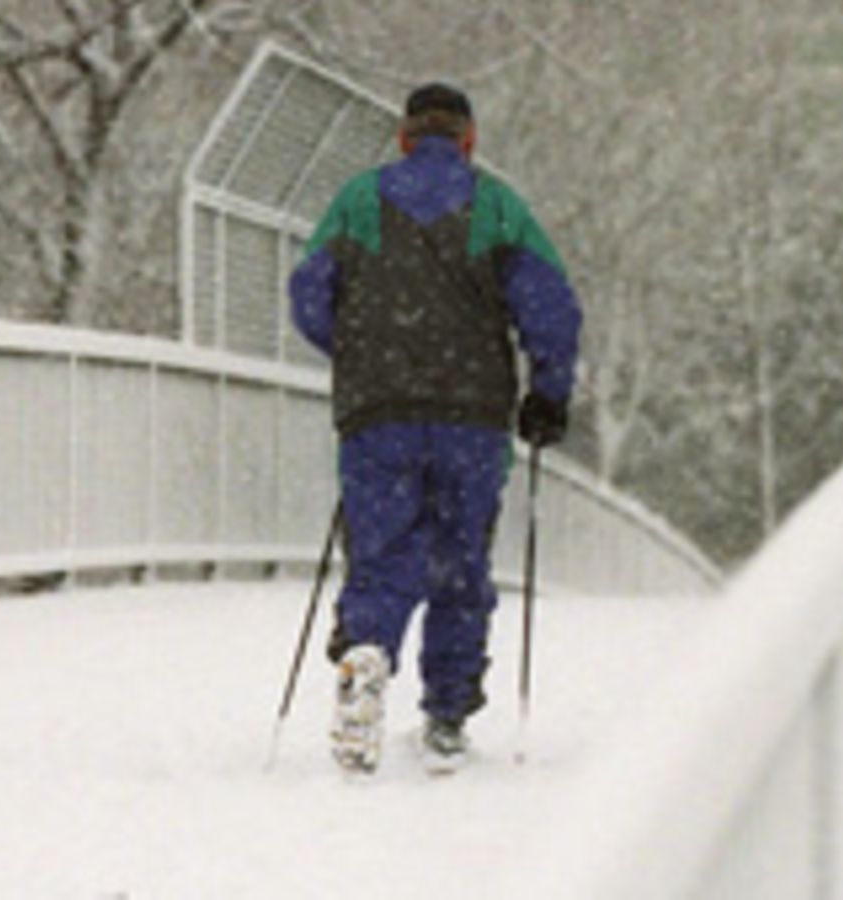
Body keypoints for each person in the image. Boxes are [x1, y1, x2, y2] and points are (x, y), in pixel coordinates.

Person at [288, 82, 582, 774]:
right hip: (472, 419)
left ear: (405, 137)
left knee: (381, 551)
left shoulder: (358, 200)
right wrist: (548, 392)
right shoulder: (499, 206)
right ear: (470, 139)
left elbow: (308, 294)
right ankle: (447, 714)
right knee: (459, 561)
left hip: (377, 414)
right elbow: (552, 308)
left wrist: (359, 352)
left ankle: (366, 655)